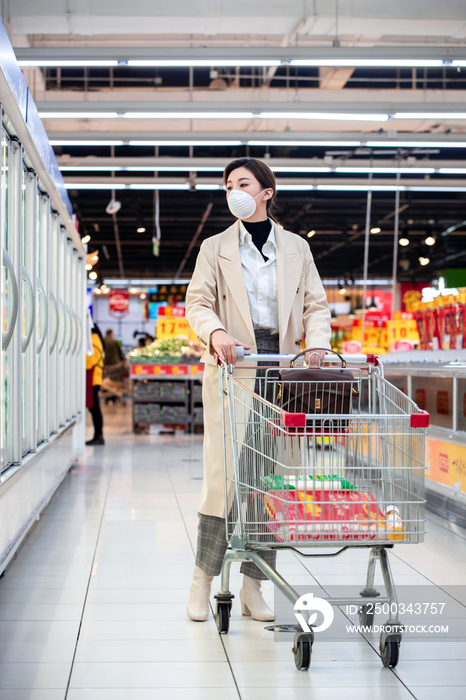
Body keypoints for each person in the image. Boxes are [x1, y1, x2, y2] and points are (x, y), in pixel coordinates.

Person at [185, 157, 332, 622]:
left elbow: (315, 305)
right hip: (233, 367)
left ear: (267, 191)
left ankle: (254, 587)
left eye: (243, 183)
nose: (233, 191)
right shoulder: (215, 247)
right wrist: (215, 333)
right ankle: (201, 582)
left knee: (270, 483)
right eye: (228, 185)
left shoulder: (296, 248)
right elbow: (197, 302)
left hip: (282, 368)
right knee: (224, 481)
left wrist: (319, 346)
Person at [86, 321, 105, 446]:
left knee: (95, 408)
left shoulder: (93, 340)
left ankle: (98, 435)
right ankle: (97, 435)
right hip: (95, 378)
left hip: (93, 378)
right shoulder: (95, 339)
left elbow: (89, 361)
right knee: (94, 408)